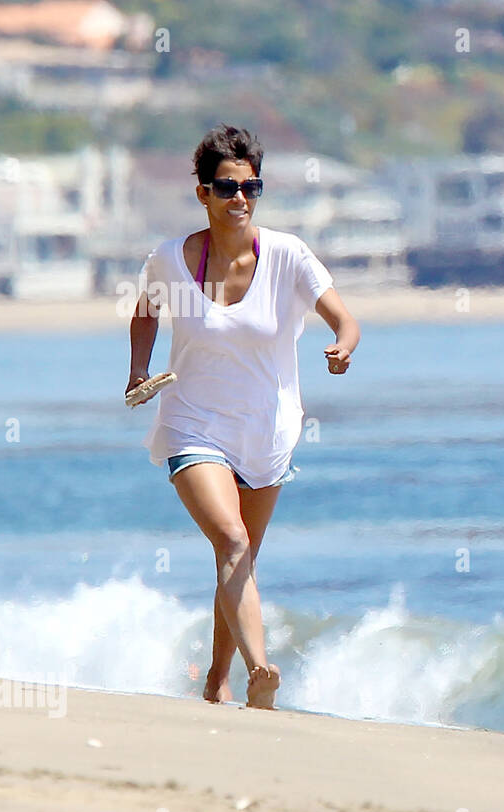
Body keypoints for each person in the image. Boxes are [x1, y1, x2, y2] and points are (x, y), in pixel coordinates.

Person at [126, 125, 360, 709]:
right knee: (231, 539)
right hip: (193, 423)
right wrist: (138, 371)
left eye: (250, 187)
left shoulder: (286, 257)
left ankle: (216, 679)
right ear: (202, 192)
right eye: (226, 188)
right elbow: (145, 314)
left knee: (239, 557)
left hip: (267, 431)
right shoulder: (173, 260)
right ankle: (261, 671)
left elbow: (344, 319)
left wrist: (344, 347)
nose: (239, 199)